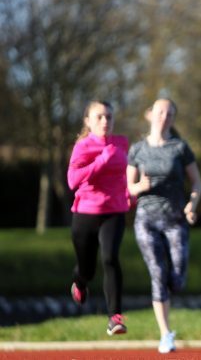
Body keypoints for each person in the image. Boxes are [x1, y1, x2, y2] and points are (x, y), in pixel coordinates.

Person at [126, 98, 201, 353]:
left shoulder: (180, 148)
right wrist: (142, 187)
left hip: (175, 220)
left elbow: (197, 183)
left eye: (170, 113)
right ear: (149, 114)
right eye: (160, 112)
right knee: (158, 273)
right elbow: (130, 187)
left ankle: (170, 300)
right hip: (146, 220)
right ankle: (165, 334)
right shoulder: (137, 150)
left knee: (177, 278)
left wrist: (192, 205)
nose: (164, 116)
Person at [67, 100, 130, 336]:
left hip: (114, 212)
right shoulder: (82, 147)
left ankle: (115, 317)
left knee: (110, 258)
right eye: (100, 117)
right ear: (88, 121)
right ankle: (80, 282)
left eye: (109, 117)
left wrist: (130, 193)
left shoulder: (122, 143)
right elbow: (73, 181)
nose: (105, 122)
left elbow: (127, 172)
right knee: (87, 269)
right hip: (85, 214)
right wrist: (101, 161)